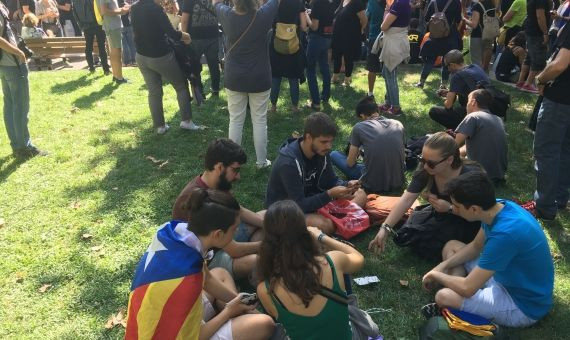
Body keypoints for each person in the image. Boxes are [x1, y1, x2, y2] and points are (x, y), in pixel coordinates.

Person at [125, 188, 275, 340]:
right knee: (265, 324)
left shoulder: (173, 232)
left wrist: (241, 302)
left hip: (158, 320)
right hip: (179, 334)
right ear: (218, 234)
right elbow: (196, 337)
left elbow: (208, 279)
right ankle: (230, 320)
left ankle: (234, 319)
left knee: (220, 273)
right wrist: (228, 311)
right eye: (234, 229)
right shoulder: (187, 281)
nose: (235, 233)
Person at [421, 172, 554, 327]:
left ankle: (456, 305)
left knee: (443, 297)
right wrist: (442, 266)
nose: (454, 210)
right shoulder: (498, 206)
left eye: (456, 206)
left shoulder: (505, 235)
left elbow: (468, 288)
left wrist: (437, 275)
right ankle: (461, 296)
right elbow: (476, 247)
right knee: (452, 246)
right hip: (506, 278)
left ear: (474, 209)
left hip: (522, 306)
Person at [257, 200, 364, 339]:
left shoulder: (265, 290)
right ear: (305, 230)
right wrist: (322, 237)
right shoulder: (333, 262)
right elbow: (358, 258)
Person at [368, 132, 481, 257]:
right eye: (422, 159)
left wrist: (449, 208)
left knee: (428, 243)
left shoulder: (470, 176)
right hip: (440, 214)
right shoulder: (426, 170)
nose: (425, 166)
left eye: (431, 163)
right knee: (409, 234)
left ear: (449, 159)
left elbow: (479, 213)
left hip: (465, 221)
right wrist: (385, 228)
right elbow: (406, 199)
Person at [172, 138, 264, 279]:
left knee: (267, 215)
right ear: (220, 167)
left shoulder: (218, 184)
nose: (238, 176)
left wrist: (270, 225)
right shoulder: (199, 201)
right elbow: (233, 249)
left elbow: (240, 210)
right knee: (257, 261)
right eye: (235, 170)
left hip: (224, 239)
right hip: (208, 258)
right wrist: (269, 244)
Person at [265, 112, 367, 234]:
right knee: (325, 225)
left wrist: (347, 185)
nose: (329, 146)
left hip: (313, 199)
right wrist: (329, 195)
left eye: (331, 141)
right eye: (324, 142)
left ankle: (338, 224)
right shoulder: (288, 163)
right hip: (287, 210)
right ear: (308, 137)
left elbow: (331, 181)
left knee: (360, 193)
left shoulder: (321, 152)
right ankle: (339, 225)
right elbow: (299, 204)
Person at [214, 0, 280, 169]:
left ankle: (232, 162)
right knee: (259, 120)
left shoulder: (226, 14)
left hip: (235, 77)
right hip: (260, 76)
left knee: (235, 120)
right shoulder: (263, 15)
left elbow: (215, 2)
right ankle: (261, 162)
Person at [131, 0, 202, 134]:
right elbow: (172, 33)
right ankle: (187, 121)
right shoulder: (155, 9)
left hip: (141, 56)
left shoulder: (134, 7)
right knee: (181, 86)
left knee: (154, 92)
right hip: (160, 56)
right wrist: (186, 35)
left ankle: (160, 127)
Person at [533, 23, 570, 220]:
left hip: (560, 100)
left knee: (547, 151)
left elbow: (559, 64)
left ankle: (544, 206)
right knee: (565, 150)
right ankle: (560, 198)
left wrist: (540, 79)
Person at [331, 96, 406, 193]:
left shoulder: (359, 127)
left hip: (371, 183)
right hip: (398, 180)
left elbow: (350, 163)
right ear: (377, 111)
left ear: (362, 116)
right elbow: (402, 158)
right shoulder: (397, 124)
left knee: (334, 154)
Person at [0, 2, 47, 158]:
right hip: (13, 63)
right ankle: (24, 147)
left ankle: (17, 145)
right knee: (20, 106)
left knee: (11, 104)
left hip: (5, 64)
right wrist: (19, 53)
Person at [428, 49, 491, 130]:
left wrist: (447, 98)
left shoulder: (457, 76)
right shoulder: (475, 67)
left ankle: (458, 130)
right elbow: (471, 88)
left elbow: (448, 105)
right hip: (489, 109)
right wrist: (450, 92)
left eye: (446, 66)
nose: (447, 69)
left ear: (453, 65)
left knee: (434, 111)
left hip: (474, 113)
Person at [455, 89, 507, 183]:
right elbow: (472, 146)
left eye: (467, 101)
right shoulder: (498, 119)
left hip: (477, 174)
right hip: (497, 176)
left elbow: (452, 145)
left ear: (473, 102)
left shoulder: (473, 117)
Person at [268, 0, 307, 114]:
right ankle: (295, 107)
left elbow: (270, 22)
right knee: (293, 78)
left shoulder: (275, 2)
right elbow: (304, 26)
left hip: (276, 47)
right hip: (293, 47)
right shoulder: (299, 3)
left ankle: (273, 107)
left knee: (275, 77)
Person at [415, 0, 462, 90]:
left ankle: (421, 82)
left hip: (434, 37)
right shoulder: (456, 2)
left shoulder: (433, 2)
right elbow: (458, 20)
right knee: (447, 62)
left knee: (430, 60)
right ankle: (443, 85)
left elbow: (426, 18)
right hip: (450, 37)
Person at [181, 0, 222, 97]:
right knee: (214, 65)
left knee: (195, 65)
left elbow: (184, 20)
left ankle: (199, 92)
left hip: (195, 38)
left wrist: (183, 37)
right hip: (213, 35)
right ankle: (215, 90)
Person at [378, 0, 411, 116]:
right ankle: (388, 103)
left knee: (390, 75)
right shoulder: (403, 2)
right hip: (396, 42)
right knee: (386, 73)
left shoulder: (399, 3)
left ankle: (396, 107)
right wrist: (388, 6)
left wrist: (387, 8)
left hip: (394, 43)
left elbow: (383, 26)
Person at [304, 0, 336, 111]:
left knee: (310, 69)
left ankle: (316, 102)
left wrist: (306, 16)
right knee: (324, 67)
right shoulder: (331, 2)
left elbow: (314, 27)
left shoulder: (318, 3)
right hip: (327, 37)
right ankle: (325, 96)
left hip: (316, 39)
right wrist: (312, 12)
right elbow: (324, 14)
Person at [516, 0, 551, 94]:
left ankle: (521, 81)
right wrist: (545, 32)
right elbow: (540, 16)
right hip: (537, 32)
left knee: (529, 57)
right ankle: (528, 83)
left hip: (530, 29)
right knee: (538, 58)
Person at [330, 0, 367, 86]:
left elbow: (364, 20)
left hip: (350, 36)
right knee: (337, 55)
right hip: (338, 35)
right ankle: (335, 76)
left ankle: (347, 79)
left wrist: (360, 30)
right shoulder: (342, 1)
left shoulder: (357, 3)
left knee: (348, 57)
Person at [72, 0, 111, 74]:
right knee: (101, 47)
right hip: (98, 24)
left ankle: (91, 67)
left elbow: (75, 14)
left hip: (87, 26)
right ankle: (105, 69)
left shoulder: (75, 1)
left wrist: (82, 26)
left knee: (89, 47)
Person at [96, 0, 129, 83]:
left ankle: (116, 75)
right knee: (117, 51)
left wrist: (120, 10)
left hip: (110, 26)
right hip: (113, 26)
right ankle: (119, 77)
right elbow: (104, 11)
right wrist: (121, 11)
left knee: (113, 51)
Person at [462, 0, 497, 71]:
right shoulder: (493, 5)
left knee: (476, 60)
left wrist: (463, 19)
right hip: (489, 34)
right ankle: (485, 73)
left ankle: (478, 77)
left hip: (477, 35)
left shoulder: (477, 6)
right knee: (485, 56)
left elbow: (474, 25)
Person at [365, 0, 385, 97]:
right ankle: (388, 95)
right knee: (389, 68)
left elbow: (366, 18)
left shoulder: (372, 2)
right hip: (388, 38)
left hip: (374, 38)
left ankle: (370, 92)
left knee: (372, 68)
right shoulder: (393, 3)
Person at [118, 0, 135, 66]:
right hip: (128, 25)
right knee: (132, 44)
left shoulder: (116, 5)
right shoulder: (127, 5)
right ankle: (134, 60)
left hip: (121, 26)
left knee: (124, 44)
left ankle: (127, 61)